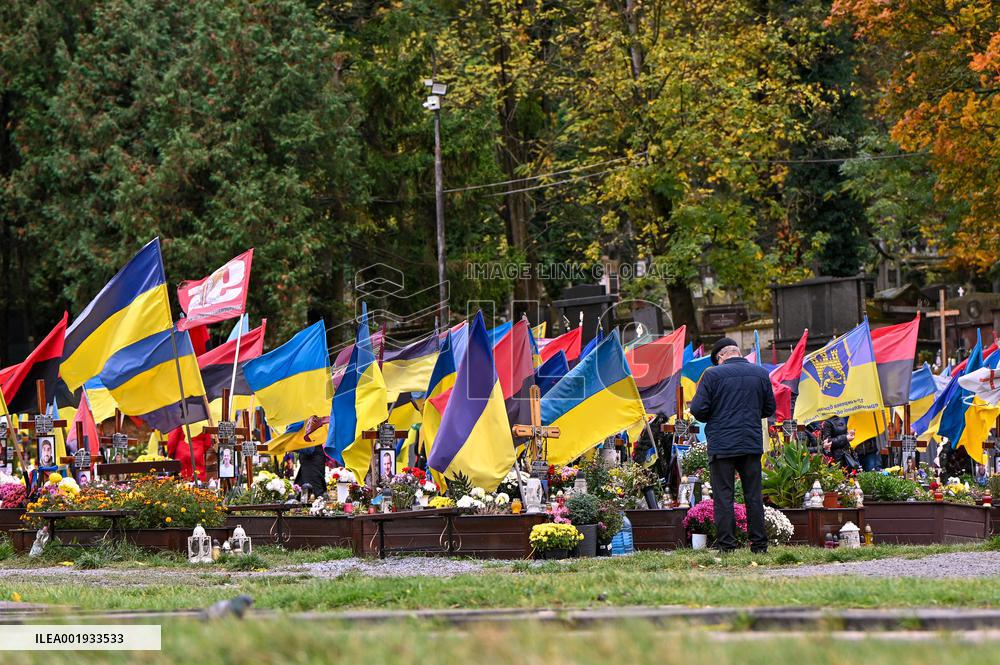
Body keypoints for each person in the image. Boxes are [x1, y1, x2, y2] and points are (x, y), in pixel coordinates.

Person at [690, 337, 775, 554]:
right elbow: (768, 409)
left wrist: (717, 413)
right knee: (753, 496)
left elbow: (698, 410)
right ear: (737, 352)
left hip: (722, 445)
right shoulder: (760, 373)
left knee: (723, 496)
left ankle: (727, 546)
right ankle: (759, 546)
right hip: (750, 442)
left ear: (720, 357)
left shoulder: (712, 375)